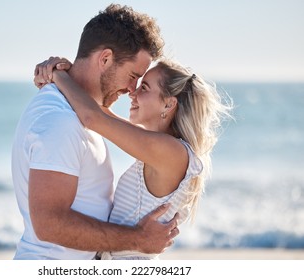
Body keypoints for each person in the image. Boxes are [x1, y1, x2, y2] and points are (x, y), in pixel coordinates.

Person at [11, 4, 179, 260]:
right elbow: (49, 223)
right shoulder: (60, 120)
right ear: (105, 59)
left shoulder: (79, 111)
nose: (132, 90)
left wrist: (58, 74)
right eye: (133, 76)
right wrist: (138, 238)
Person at [33, 57, 233, 259]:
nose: (133, 93)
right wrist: (65, 76)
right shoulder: (159, 147)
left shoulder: (171, 151)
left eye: (144, 88)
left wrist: (57, 74)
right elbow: (97, 111)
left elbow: (92, 117)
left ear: (168, 104)